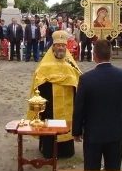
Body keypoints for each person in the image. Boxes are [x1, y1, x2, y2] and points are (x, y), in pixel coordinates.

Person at [72, 39, 122, 171]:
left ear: (94, 55)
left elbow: (79, 107)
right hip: (116, 130)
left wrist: (76, 131)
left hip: (93, 132)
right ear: (111, 53)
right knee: (114, 167)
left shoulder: (86, 78)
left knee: (92, 168)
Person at [27, 30, 81, 159]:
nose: (61, 48)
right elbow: (38, 82)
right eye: (58, 45)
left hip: (67, 101)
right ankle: (49, 150)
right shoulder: (45, 64)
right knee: (50, 122)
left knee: (66, 122)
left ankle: (66, 150)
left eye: (63, 45)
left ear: (66, 47)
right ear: (53, 46)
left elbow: (78, 79)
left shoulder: (70, 63)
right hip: (50, 100)